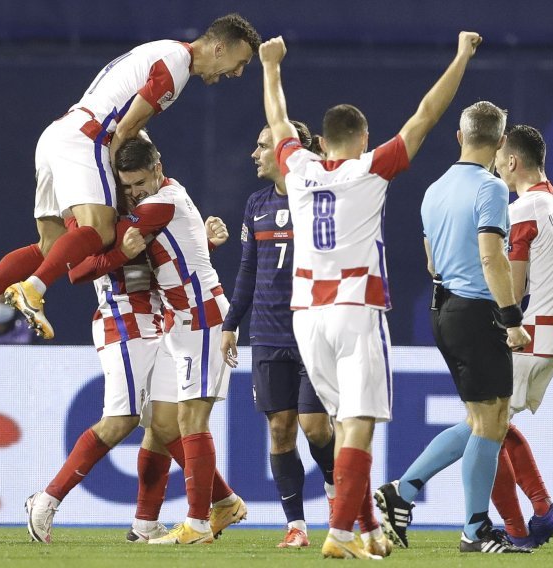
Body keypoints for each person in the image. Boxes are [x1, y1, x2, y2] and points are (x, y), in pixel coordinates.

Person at [260, 31, 482, 559]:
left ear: (323, 141)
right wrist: (461, 57)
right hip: (356, 310)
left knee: (342, 427)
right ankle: (339, 534)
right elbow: (426, 114)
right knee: (359, 424)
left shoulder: (299, 168)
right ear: (361, 139)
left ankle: (369, 533)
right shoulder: (370, 168)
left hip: (306, 316)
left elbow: (278, 122)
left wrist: (271, 68)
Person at [0, 14, 261, 365]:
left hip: (58, 135)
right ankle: (33, 290)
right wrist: (121, 199)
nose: (238, 73)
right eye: (239, 63)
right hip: (88, 138)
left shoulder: (166, 52)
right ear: (218, 48)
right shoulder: (177, 65)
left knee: (51, 248)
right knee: (101, 229)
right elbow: (124, 131)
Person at [25, 178, 235, 545]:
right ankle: (46, 500)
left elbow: (164, 266)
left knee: (164, 424)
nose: (132, 189)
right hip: (121, 322)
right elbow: (75, 270)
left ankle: (147, 523)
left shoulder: (147, 207)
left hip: (159, 320)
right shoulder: (94, 214)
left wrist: (204, 244)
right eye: (126, 182)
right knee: (123, 419)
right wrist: (120, 253)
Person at [68, 136, 245, 545]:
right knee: (164, 423)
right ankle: (216, 506)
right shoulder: (162, 202)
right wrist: (205, 239)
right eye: (126, 187)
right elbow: (179, 255)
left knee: (189, 422)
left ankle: (198, 525)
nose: (134, 193)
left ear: (158, 168)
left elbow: (84, 267)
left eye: (140, 182)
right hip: (178, 324)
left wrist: (82, 235)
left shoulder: (160, 203)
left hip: (201, 320)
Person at [373, 101, 532, 554]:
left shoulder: (434, 190)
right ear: (501, 142)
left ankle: (401, 492)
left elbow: (430, 261)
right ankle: (474, 530)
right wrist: (511, 319)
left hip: (444, 311)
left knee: (486, 419)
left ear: (459, 137)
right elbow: (491, 256)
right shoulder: (492, 189)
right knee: (489, 422)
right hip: (478, 311)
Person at [220, 121, 336, 549]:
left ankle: (335, 488)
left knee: (316, 426)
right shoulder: (256, 204)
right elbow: (248, 270)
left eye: (263, 145)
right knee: (281, 430)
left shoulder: (322, 199)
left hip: (313, 330)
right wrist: (231, 324)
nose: (255, 153)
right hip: (267, 335)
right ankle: (297, 527)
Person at [489, 124, 553, 548]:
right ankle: (542, 510)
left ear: (513, 161)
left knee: (482, 431)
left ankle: (517, 529)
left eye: (500, 158)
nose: (496, 167)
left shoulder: (522, 209)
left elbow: (515, 284)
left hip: (533, 334)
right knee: (497, 425)